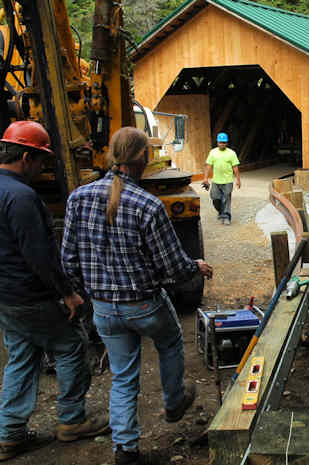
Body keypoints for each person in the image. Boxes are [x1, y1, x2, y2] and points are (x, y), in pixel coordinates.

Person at [61, 127, 214, 465]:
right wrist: (196, 266)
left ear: (110, 156)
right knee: (170, 341)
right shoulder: (148, 205)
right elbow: (172, 265)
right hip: (145, 305)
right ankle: (174, 402)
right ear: (144, 159)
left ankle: (126, 449)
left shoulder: (78, 198)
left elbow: (68, 260)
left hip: (103, 309)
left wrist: (82, 295)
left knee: (123, 375)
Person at [0, 121, 110, 461]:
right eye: (42, 161)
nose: (43, 168)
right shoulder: (21, 197)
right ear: (26, 157)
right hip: (31, 295)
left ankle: (9, 434)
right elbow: (39, 256)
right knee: (71, 346)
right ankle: (71, 421)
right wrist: (68, 293)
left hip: (6, 297)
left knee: (23, 355)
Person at [202, 132, 241, 225]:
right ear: (217, 142)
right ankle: (221, 212)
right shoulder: (213, 152)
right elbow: (208, 166)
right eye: (220, 142)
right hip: (216, 181)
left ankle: (227, 216)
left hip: (228, 181)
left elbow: (235, 167)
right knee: (215, 199)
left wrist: (238, 180)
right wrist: (205, 178)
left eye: (224, 142)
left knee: (227, 198)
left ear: (227, 143)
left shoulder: (231, 153)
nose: (222, 144)